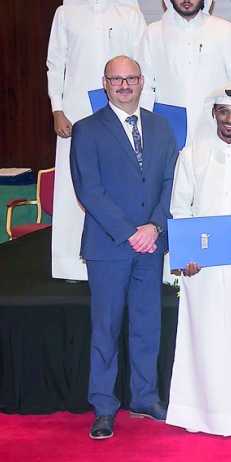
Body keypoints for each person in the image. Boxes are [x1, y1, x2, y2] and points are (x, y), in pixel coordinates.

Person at [69, 56, 178, 439]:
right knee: (106, 328)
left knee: (147, 325)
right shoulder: (87, 130)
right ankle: (103, 406)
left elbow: (171, 181)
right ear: (104, 83)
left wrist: (155, 226)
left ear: (142, 81)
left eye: (130, 78)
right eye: (116, 79)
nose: (124, 85)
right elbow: (89, 191)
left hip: (151, 244)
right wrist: (132, 231)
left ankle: (146, 397)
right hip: (109, 246)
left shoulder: (161, 126)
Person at [166, 84, 231, 436]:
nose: (230, 119)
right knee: (205, 334)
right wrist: (187, 255)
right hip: (202, 264)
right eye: (224, 111)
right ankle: (202, 411)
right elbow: (180, 208)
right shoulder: (191, 154)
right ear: (212, 113)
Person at [47, 0, 147, 281]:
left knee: (121, 182)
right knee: (75, 186)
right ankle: (71, 264)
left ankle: (124, 254)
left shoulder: (129, 14)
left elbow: (142, 65)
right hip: (76, 112)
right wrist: (57, 108)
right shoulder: (66, 14)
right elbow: (55, 64)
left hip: (122, 109)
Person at [137, 0, 231, 146]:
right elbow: (145, 85)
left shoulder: (223, 29)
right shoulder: (153, 32)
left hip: (214, 123)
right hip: (168, 125)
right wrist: (144, 127)